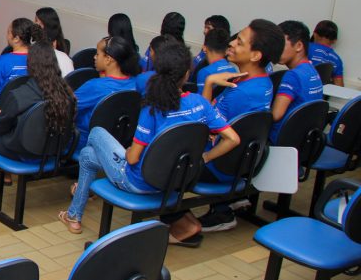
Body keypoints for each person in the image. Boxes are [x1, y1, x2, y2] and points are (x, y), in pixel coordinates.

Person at [60, 42, 239, 244]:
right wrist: (204, 158)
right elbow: (233, 138)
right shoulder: (201, 103)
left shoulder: (152, 108)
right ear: (187, 74)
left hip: (139, 182)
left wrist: (126, 151)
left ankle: (75, 217)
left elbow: (133, 158)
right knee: (88, 156)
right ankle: (73, 215)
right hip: (176, 181)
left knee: (97, 133)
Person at [197, 19, 284, 232]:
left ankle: (185, 219)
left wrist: (209, 83)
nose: (232, 43)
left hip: (219, 165)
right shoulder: (262, 82)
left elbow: (201, 125)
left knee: (162, 155)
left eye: (240, 42)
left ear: (256, 55)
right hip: (239, 161)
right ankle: (224, 205)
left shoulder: (241, 93)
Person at [0, 43, 76, 200]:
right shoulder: (67, 93)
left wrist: (0, 117)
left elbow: (2, 128)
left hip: (25, 151)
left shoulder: (19, 94)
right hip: (53, 150)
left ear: (30, 64)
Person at [74, 36, 140, 150]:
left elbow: (67, 105)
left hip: (85, 140)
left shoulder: (96, 86)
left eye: (98, 54)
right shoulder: (136, 84)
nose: (94, 57)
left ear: (108, 59)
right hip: (120, 143)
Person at [270, 20, 324, 142]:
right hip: (301, 139)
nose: (276, 49)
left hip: (280, 140)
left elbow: (276, 115)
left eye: (281, 44)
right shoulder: (312, 70)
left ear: (299, 46)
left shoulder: (293, 75)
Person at [0, 19, 43, 106]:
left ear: (16, 38)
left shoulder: (2, 62)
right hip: (27, 108)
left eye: (8, 32)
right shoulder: (40, 57)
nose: (7, 35)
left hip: (2, 112)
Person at [195, 28, 236, 93]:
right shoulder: (233, 70)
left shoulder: (205, 72)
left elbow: (202, 101)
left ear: (204, 48)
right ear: (227, 50)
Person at [35, 7, 73, 74]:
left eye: (36, 20)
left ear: (44, 24)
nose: (34, 23)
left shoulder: (37, 52)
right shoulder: (63, 46)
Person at [309, 20, 344, 86]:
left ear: (314, 34)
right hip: (320, 94)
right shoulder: (337, 59)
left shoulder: (303, 47)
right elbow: (339, 86)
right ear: (334, 40)